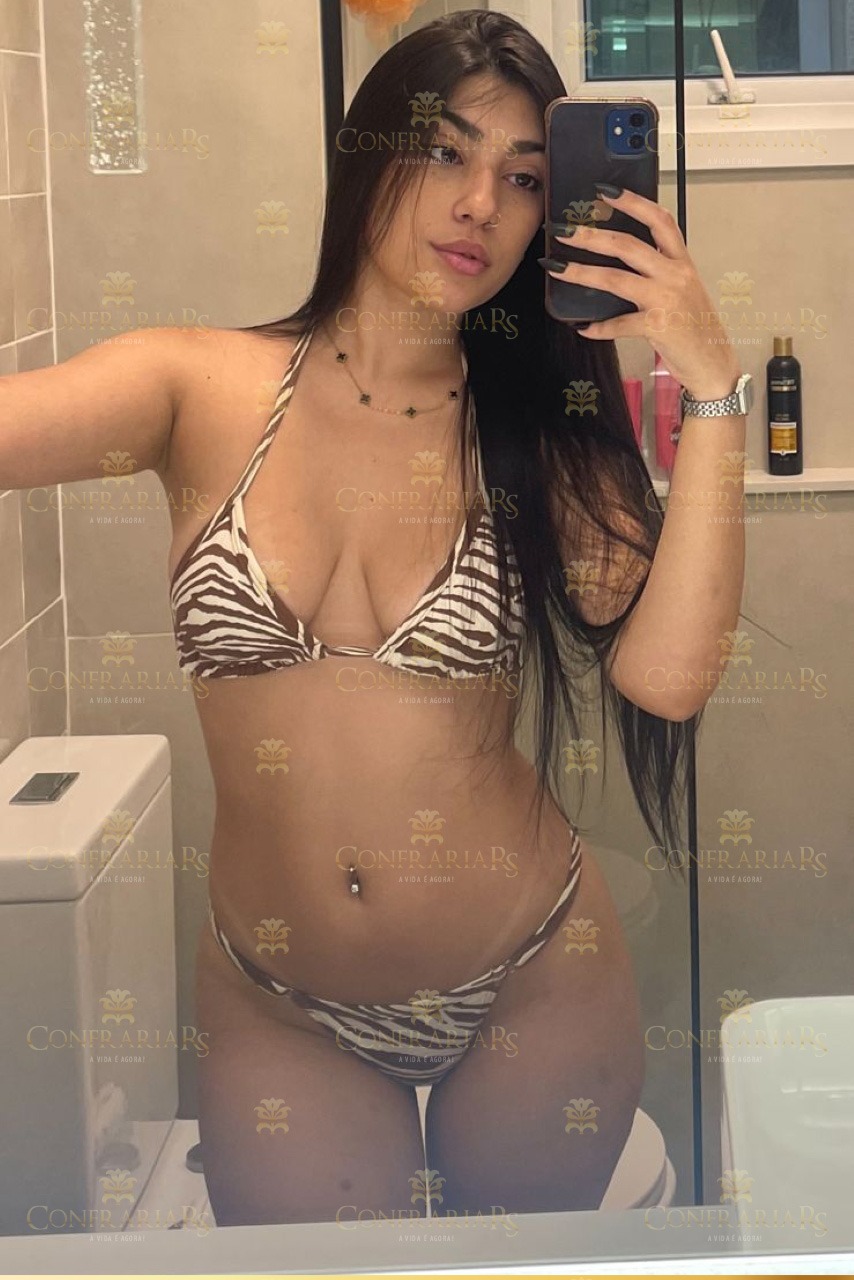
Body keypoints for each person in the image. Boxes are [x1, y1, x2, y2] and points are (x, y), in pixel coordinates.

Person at [1, 10, 747, 1227]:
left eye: (522, 179)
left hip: (532, 977)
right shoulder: (191, 385)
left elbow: (667, 677)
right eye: (443, 151)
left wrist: (711, 387)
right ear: (368, 155)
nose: (478, 205)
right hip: (280, 1004)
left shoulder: (539, 431)